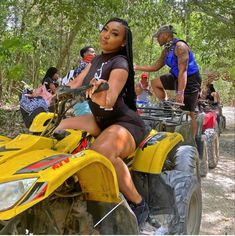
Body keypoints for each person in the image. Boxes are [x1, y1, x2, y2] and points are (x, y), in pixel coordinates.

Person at [55, 17, 149, 228]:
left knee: (101, 153)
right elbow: (76, 83)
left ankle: (138, 203)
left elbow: (111, 98)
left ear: (123, 42)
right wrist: (56, 92)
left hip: (124, 122)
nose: (106, 35)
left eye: (114, 34)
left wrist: (102, 88)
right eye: (105, 30)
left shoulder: (121, 64)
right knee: (54, 130)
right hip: (100, 120)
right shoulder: (95, 60)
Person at [135, 25, 201, 137]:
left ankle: (193, 141)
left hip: (190, 79)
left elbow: (183, 71)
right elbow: (155, 67)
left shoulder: (180, 47)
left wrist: (180, 93)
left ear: (166, 35)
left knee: (189, 112)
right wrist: (137, 67)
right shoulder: (166, 50)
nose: (157, 39)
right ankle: (167, 108)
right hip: (176, 76)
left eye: (158, 36)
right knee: (155, 83)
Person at [73, 46, 96, 116]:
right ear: (85, 54)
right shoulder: (83, 65)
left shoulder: (93, 65)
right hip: (82, 96)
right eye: (92, 52)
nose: (94, 54)